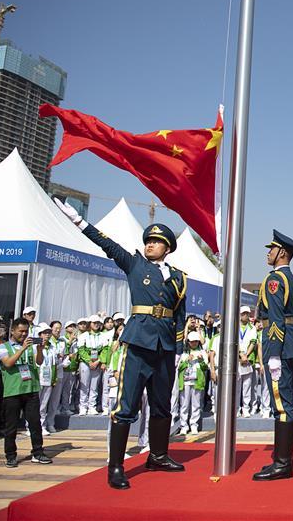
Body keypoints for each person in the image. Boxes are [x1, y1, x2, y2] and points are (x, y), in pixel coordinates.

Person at [55, 198, 188, 489]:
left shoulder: (179, 278)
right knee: (126, 406)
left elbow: (180, 317)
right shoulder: (136, 264)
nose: (150, 245)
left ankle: (158, 454)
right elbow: (108, 245)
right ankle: (115, 466)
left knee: (162, 406)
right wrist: (80, 222)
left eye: (156, 242)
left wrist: (178, 351)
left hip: (164, 349)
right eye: (149, 241)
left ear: (167, 247)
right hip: (138, 343)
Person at [252, 230, 293, 481]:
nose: (268, 253)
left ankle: (282, 464)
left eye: (271, 249)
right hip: (289, 344)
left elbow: (275, 319)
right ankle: (283, 460)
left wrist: (272, 353)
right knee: (287, 402)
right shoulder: (288, 277)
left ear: (282, 252)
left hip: (279, 347)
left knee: (281, 404)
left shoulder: (275, 279)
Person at [0, 317, 52, 467]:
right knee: (11, 425)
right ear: (13, 330)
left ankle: (38, 452)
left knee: (35, 423)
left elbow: (39, 362)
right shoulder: (3, 347)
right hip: (13, 391)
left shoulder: (31, 346)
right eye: (21, 331)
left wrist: (40, 350)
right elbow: (8, 363)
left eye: (26, 331)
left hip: (31, 389)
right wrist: (22, 348)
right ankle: (10, 455)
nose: (23, 334)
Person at [178, 332, 209, 435]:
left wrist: (200, 361)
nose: (194, 343)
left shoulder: (202, 352)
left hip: (197, 381)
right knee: (184, 405)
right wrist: (187, 360)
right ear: (188, 342)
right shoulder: (184, 353)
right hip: (185, 382)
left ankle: (194, 425)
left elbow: (205, 367)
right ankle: (184, 426)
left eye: (196, 341)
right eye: (192, 342)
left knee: (196, 404)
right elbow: (179, 368)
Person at [77, 315, 103, 416]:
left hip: (97, 363)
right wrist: (89, 361)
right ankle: (83, 406)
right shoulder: (83, 336)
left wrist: (98, 361)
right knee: (84, 385)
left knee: (94, 385)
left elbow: (105, 350)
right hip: (85, 363)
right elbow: (81, 350)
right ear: (90, 324)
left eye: (98, 323)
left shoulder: (102, 335)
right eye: (94, 322)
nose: (96, 324)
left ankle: (92, 406)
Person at [35, 324, 58, 435]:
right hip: (38, 378)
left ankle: (42, 425)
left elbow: (54, 364)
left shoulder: (52, 346)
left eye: (49, 332)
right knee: (35, 404)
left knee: (44, 404)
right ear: (39, 334)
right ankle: (31, 427)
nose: (47, 335)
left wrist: (54, 378)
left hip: (48, 378)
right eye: (45, 333)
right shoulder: (34, 346)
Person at [235, 306, 258, 417]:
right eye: (244, 313)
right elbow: (234, 341)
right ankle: (236, 408)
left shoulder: (252, 327)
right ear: (240, 314)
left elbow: (253, 342)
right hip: (237, 359)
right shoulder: (235, 326)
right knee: (237, 386)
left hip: (248, 359)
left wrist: (246, 355)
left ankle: (246, 408)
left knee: (247, 386)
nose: (246, 315)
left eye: (247, 314)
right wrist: (240, 353)